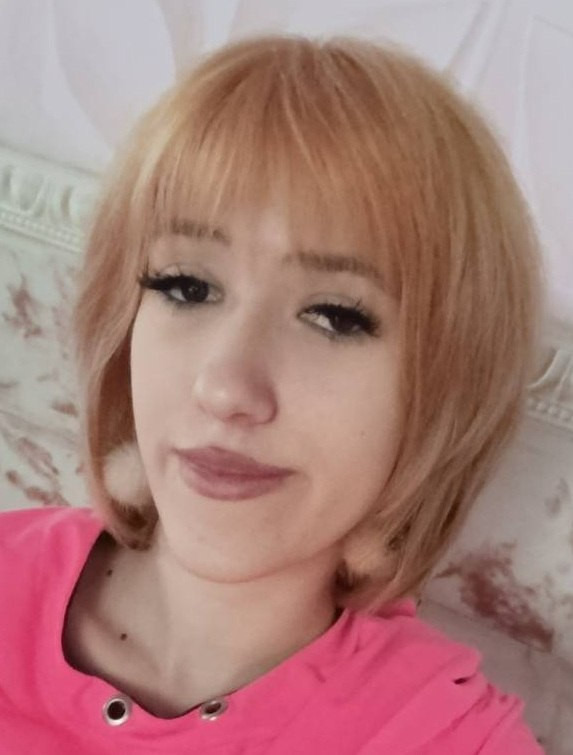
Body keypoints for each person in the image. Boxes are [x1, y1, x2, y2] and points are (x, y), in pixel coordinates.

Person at [0, 33, 545, 753]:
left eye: (335, 316)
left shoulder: (443, 737)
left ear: (442, 390)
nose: (225, 387)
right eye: (186, 286)